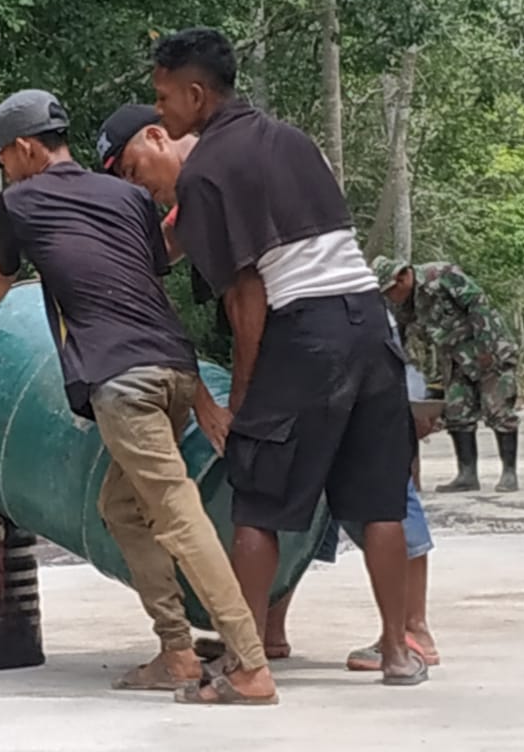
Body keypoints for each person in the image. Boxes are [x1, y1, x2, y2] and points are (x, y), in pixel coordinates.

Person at [0, 88, 276, 705]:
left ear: (25, 148)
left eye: (3, 160)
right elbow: (153, 267)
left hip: (121, 379)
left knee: (177, 513)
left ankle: (249, 663)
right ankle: (178, 653)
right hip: (174, 373)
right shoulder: (129, 196)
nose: (5, 171)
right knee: (124, 508)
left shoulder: (21, 202)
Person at [99, 103, 438, 671]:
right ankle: (397, 650)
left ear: (161, 134)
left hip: (306, 334)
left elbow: (246, 299)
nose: (141, 188)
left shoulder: (204, 179)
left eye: (134, 171)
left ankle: (244, 654)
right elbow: (170, 240)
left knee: (256, 502)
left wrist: (240, 403)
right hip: (370, 325)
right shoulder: (280, 144)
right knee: (381, 502)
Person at [373, 256, 521, 493]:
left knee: (498, 410)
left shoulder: (440, 275)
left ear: (402, 278)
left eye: (390, 291)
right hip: (455, 358)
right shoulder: (407, 302)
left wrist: (485, 346)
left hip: (487, 349)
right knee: (456, 413)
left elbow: (477, 303)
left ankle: (509, 473)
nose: (390, 297)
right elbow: (401, 333)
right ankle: (467, 474)